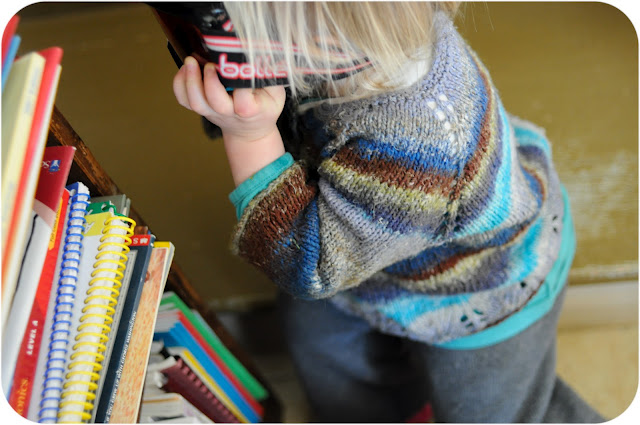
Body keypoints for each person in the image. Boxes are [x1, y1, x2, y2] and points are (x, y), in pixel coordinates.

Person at [172, 2, 605, 423]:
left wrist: (249, 137)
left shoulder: (421, 145)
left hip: (484, 283)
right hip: (379, 249)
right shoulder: (352, 42)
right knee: (316, 336)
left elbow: (311, 266)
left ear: (322, 39)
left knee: (490, 411)